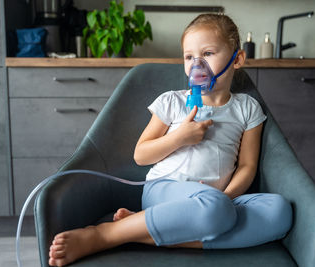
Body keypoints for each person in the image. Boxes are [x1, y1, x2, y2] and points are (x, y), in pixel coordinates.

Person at [48, 13, 292, 267]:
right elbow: (141, 155)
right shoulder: (173, 102)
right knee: (216, 210)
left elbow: (247, 166)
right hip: (165, 189)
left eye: (207, 54)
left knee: (279, 211)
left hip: (217, 199)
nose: (197, 64)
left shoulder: (247, 108)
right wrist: (179, 138)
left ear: (237, 59)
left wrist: (227, 197)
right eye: (189, 57)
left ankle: (142, 231)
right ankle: (104, 235)